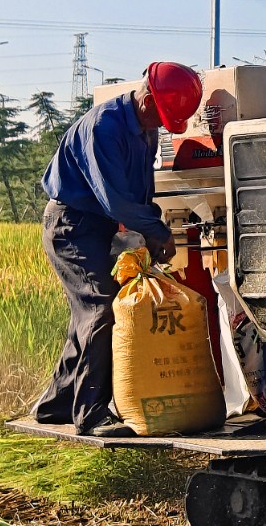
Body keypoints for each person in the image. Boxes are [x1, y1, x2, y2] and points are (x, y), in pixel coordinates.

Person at [32, 61, 201, 437]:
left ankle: (55, 404)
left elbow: (139, 191)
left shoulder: (145, 130)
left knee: (87, 314)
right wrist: (156, 231)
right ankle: (91, 415)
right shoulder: (104, 127)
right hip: (71, 226)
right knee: (102, 306)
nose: (160, 126)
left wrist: (150, 233)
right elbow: (114, 200)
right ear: (147, 99)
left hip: (98, 226)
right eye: (161, 117)